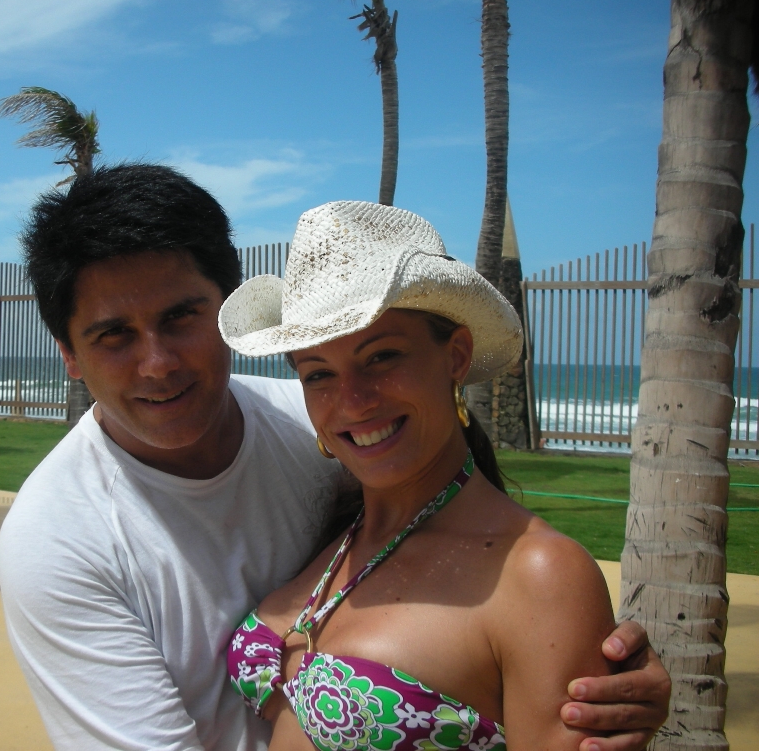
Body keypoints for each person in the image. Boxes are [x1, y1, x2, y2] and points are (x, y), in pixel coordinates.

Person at [0, 164, 671, 751]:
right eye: (114, 335)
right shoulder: (59, 539)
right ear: (69, 355)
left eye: (179, 317)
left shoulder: (325, 442)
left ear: (456, 356)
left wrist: (592, 664)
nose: (352, 403)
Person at [221, 200, 632, 750]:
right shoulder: (337, 528)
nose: (353, 401)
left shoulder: (539, 575)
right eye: (319, 374)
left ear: (456, 356)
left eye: (382, 357)